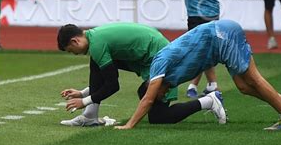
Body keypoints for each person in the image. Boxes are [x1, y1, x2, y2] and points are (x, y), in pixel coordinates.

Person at [114, 20, 281, 131]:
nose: (163, 97)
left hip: (222, 35)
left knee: (253, 79)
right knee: (243, 86)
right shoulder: (168, 78)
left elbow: (147, 100)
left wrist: (129, 125)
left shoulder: (157, 67)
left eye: (159, 95)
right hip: (220, 44)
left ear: (151, 86)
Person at [57, 23, 226, 127]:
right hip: (150, 56)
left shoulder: (97, 44)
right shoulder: (95, 38)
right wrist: (83, 93)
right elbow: (107, 76)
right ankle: (90, 116)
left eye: (72, 51)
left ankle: (209, 101)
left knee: (159, 117)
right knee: (97, 63)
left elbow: (112, 86)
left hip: (161, 58)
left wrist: (84, 101)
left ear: (75, 41)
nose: (75, 54)